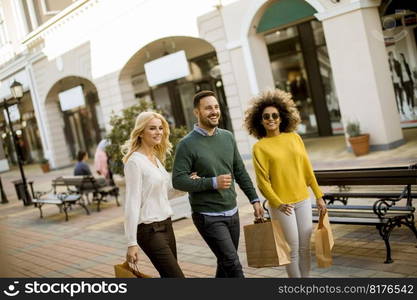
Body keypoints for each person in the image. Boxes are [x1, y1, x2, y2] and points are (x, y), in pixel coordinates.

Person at [172, 90, 264, 278]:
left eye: (216, 107)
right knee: (233, 265)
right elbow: (178, 180)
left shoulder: (227, 137)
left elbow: (239, 170)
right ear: (196, 112)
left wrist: (254, 199)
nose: (214, 111)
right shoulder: (187, 144)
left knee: (225, 264)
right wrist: (212, 182)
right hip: (207, 215)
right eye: (208, 108)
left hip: (232, 211)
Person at [244, 89, 327, 278]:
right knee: (293, 248)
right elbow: (263, 182)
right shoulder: (260, 147)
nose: (271, 119)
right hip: (282, 206)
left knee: (305, 247)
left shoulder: (295, 138)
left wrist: (319, 196)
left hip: (303, 200)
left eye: (275, 115)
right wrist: (278, 203)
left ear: (281, 118)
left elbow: (307, 169)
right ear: (260, 120)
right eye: (266, 116)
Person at [122, 111, 184, 278]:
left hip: (167, 225)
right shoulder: (134, 162)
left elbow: (164, 193)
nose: (159, 132)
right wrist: (131, 242)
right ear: (141, 132)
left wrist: (185, 185)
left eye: (160, 128)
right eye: (152, 128)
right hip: (150, 230)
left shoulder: (155, 159)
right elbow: (132, 203)